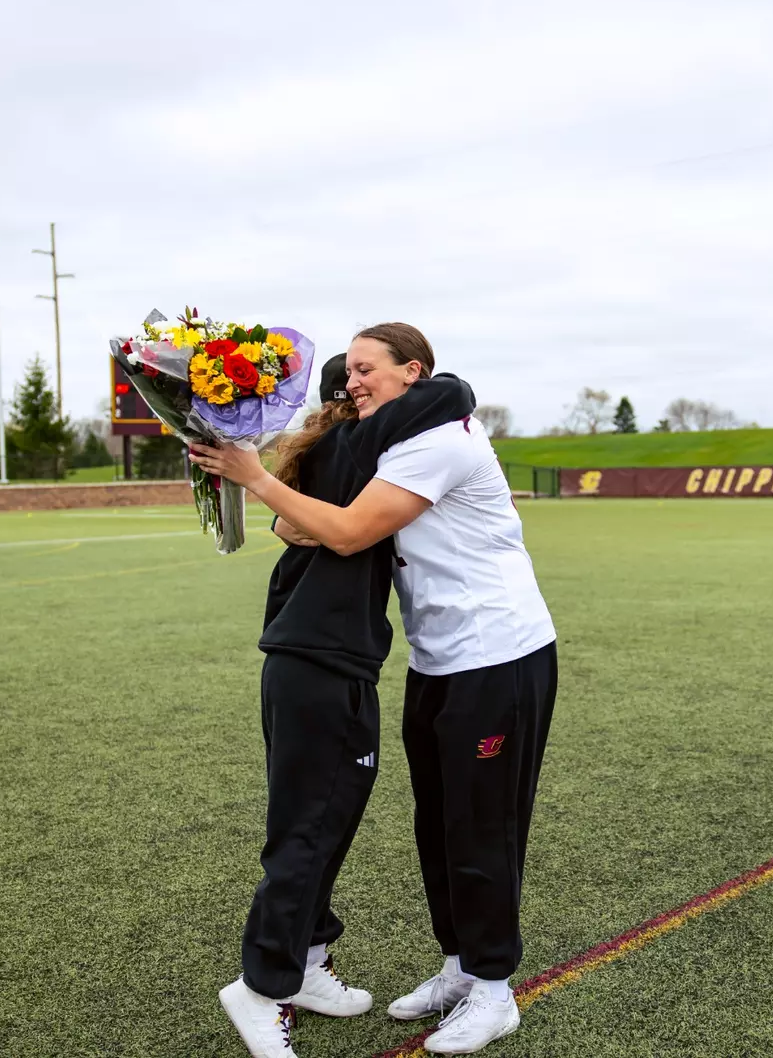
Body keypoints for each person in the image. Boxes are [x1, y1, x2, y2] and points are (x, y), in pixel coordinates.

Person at [195, 323, 557, 1056]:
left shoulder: (441, 439)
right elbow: (306, 522)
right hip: (438, 659)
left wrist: (255, 476)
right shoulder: (393, 438)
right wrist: (292, 506)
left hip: (498, 654)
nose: (351, 382)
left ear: (412, 372)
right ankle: (460, 967)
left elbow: (351, 532)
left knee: (482, 824)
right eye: (349, 371)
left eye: (366, 369)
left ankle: (493, 991)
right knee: (440, 823)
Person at [218, 356, 476, 1058]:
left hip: (316, 662)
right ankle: (262, 987)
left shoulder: (330, 453)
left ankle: (304, 963)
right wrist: (425, 380)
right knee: (307, 831)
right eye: (360, 377)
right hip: (322, 665)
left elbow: (294, 525)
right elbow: (451, 394)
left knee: (321, 823)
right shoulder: (355, 448)